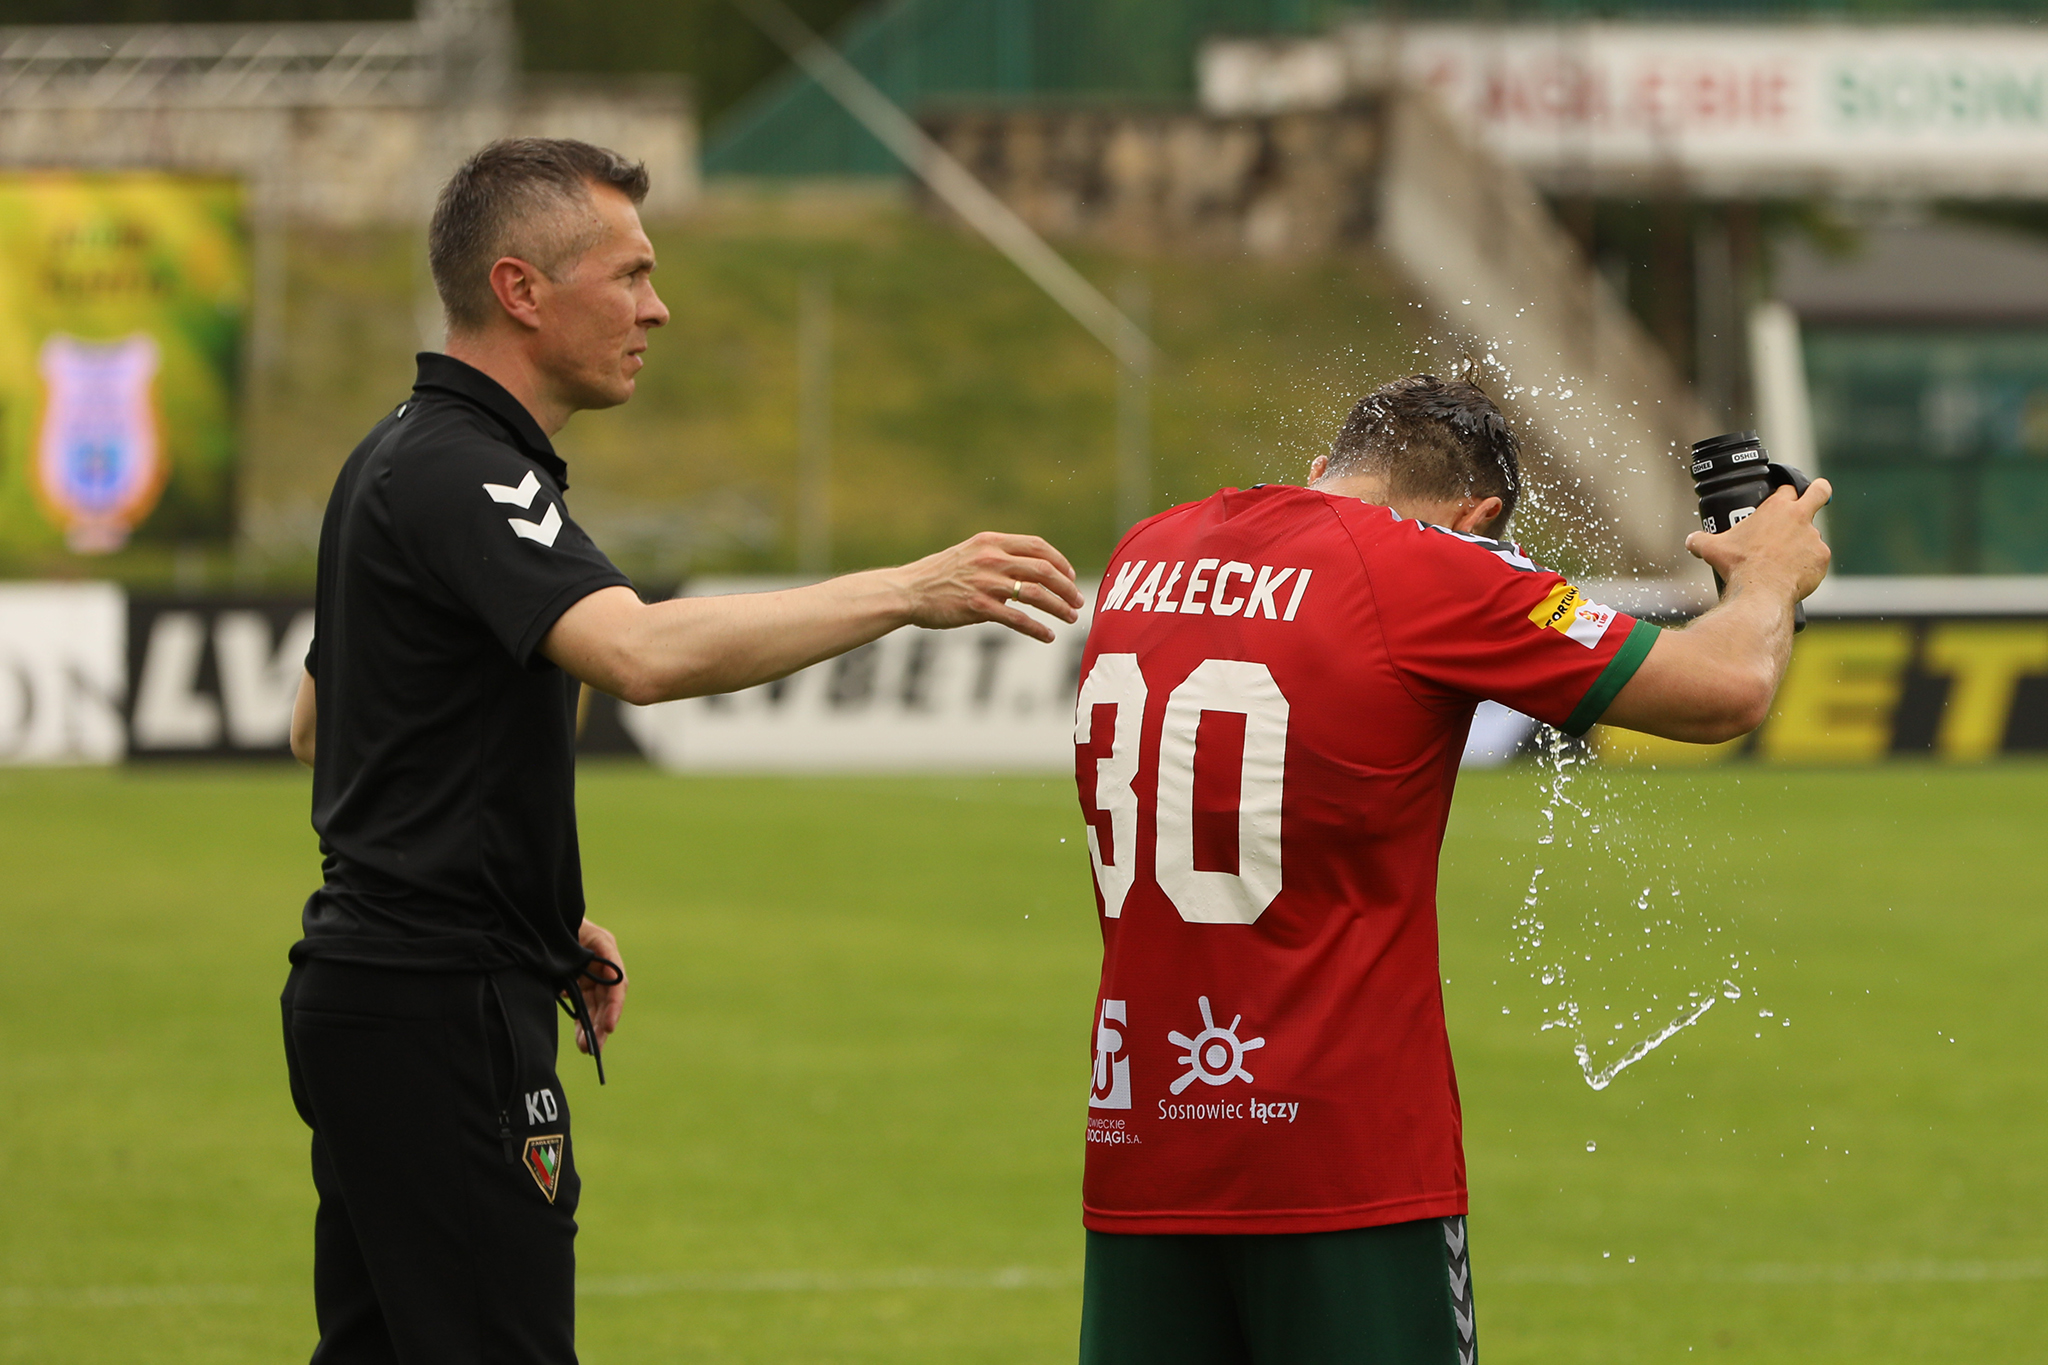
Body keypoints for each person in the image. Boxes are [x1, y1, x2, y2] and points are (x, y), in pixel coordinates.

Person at [280, 137, 1082, 1365]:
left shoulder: (393, 453)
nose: (656, 307)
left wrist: (529, 901)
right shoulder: (465, 470)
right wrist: (908, 588)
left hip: (378, 992)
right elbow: (639, 655)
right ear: (519, 290)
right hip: (440, 1009)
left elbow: (317, 725)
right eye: (631, 273)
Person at [1067, 374, 1830, 1364]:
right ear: (1475, 518)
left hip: (1142, 1140)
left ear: (1325, 469)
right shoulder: (1426, 567)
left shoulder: (1149, 548)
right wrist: (1767, 575)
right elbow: (1726, 687)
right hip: (1344, 1159)